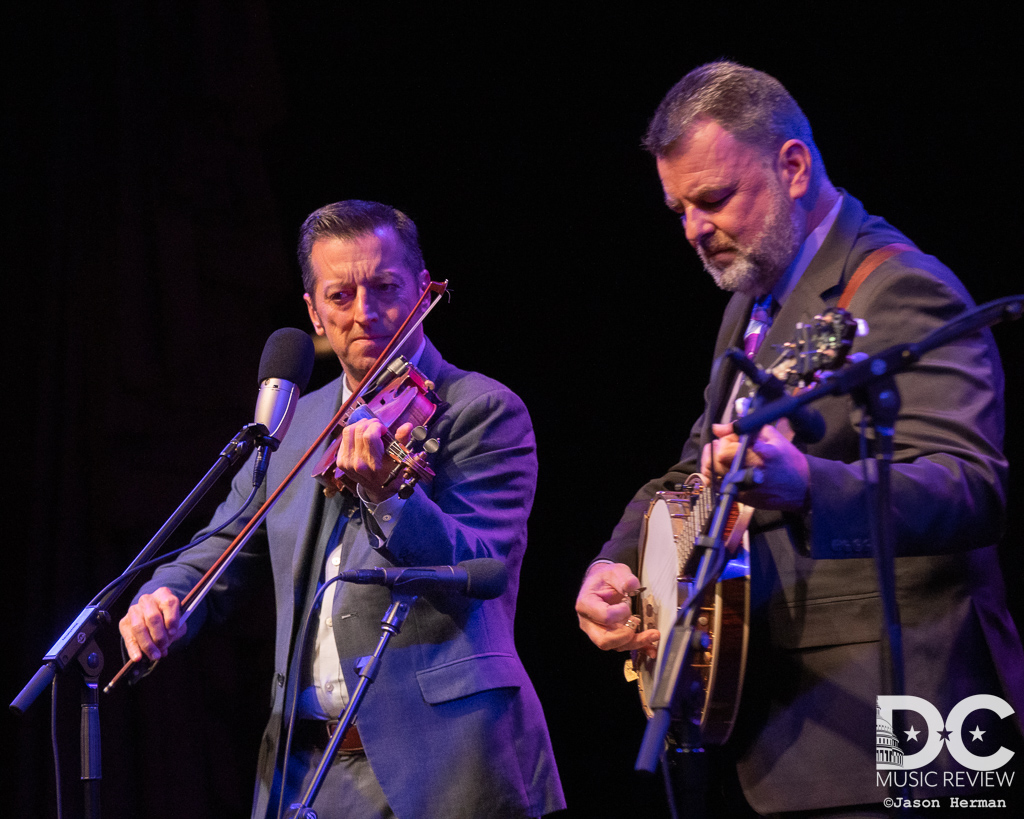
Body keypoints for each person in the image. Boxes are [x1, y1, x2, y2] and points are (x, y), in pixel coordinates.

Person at [575, 62, 1024, 816]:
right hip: (794, 730)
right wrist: (615, 562)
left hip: (912, 713)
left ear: (792, 166)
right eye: (679, 208)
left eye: (713, 199)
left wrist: (807, 484)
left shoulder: (899, 283)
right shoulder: (753, 303)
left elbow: (973, 488)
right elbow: (696, 467)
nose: (693, 229)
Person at [120, 200, 565, 819]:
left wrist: (389, 494)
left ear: (420, 288)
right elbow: (222, 546)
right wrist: (163, 594)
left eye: (385, 287)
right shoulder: (294, 424)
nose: (365, 313)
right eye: (340, 295)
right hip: (308, 771)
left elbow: (479, 568)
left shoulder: (480, 409)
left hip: (447, 764)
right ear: (314, 313)